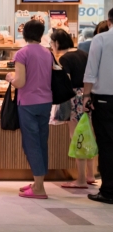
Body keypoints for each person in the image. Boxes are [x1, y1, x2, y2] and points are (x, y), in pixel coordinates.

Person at [6, 20, 53, 199]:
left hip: (28, 103)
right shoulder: (47, 53)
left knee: (31, 142)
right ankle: (37, 182)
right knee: (41, 141)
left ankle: (39, 187)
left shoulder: (22, 53)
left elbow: (20, 82)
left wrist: (10, 77)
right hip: (45, 102)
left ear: (24, 34)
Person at [50, 29, 95, 189]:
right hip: (88, 97)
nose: (51, 46)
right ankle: (90, 174)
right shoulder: (83, 54)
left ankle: (81, 179)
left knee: (77, 137)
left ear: (56, 43)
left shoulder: (64, 59)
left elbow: (65, 81)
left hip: (74, 99)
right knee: (87, 134)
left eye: (51, 43)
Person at [83, 7, 113, 204]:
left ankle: (109, 191)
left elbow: (91, 70)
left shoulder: (101, 39)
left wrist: (86, 95)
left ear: (109, 21)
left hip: (104, 99)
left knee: (107, 145)